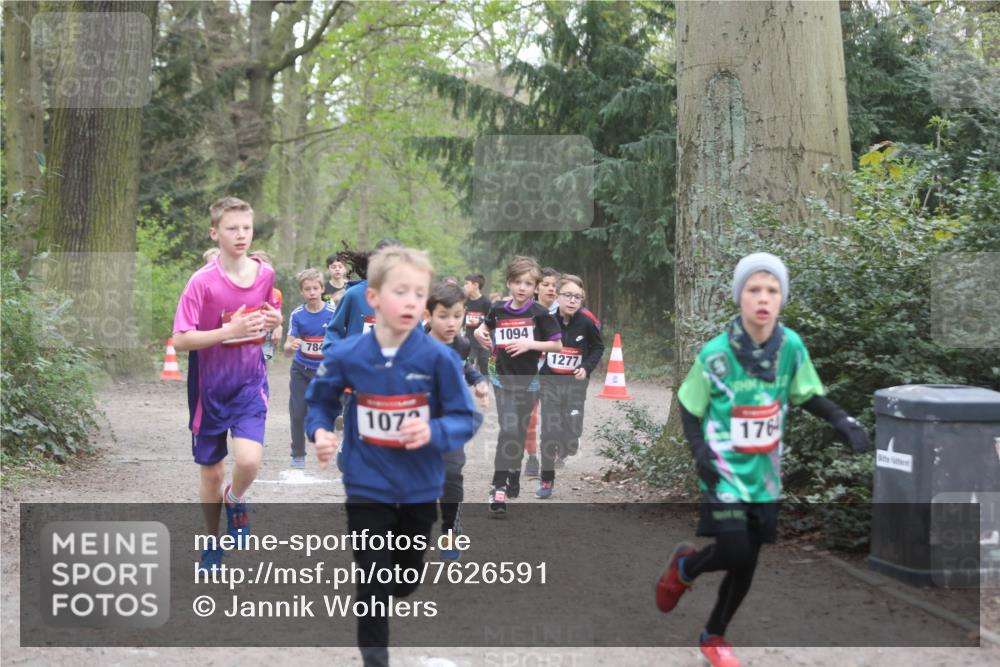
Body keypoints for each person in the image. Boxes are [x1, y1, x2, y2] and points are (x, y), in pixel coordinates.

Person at [656, 252, 870, 667]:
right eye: (754, 289)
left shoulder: (790, 347)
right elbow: (689, 405)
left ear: (781, 298)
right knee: (735, 551)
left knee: (747, 562)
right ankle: (687, 567)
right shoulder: (716, 354)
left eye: (772, 290)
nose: (763, 298)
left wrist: (841, 419)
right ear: (740, 297)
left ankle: (713, 635)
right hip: (724, 473)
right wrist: (699, 451)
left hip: (765, 477)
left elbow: (806, 393)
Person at [306, 247, 481, 667]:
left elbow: (465, 418)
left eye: (418, 294)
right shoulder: (348, 355)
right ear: (373, 298)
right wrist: (321, 432)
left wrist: (434, 430)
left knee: (402, 581)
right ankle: (375, 660)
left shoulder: (438, 357)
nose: (409, 302)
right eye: (399, 291)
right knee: (372, 579)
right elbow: (319, 401)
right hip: (367, 484)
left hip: (420, 486)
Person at [172, 197, 282, 573]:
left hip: (250, 382)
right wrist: (229, 331)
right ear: (214, 232)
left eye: (246, 228)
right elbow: (182, 340)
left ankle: (236, 499)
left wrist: (275, 319)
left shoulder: (264, 273)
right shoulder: (201, 283)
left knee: (249, 462)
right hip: (209, 389)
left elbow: (269, 317)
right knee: (212, 471)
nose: (241, 235)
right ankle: (212, 542)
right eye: (232, 228)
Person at [474, 256, 562, 516]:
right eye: (517, 282)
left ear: (535, 287)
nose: (522, 287)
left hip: (530, 382)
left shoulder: (541, 314)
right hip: (501, 378)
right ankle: (498, 486)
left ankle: (514, 469)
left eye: (527, 283)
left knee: (519, 431)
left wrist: (530, 345)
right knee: (508, 429)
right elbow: (484, 328)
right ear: (509, 283)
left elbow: (556, 345)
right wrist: (480, 332)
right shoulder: (498, 309)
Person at [424, 281, 490, 560]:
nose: (451, 323)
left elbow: (464, 367)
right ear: (427, 316)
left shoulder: (462, 344)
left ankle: (450, 529)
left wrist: (478, 381)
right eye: (443, 316)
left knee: (451, 475)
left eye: (458, 316)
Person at [537, 274, 604, 498]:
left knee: (572, 432)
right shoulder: (546, 319)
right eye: (568, 295)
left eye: (578, 297)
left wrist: (586, 367)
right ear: (558, 296)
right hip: (550, 382)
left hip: (575, 385)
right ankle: (546, 480)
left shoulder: (586, 321)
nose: (573, 300)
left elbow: (598, 348)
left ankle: (566, 447)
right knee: (549, 431)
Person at [283, 268, 336, 468]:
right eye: (307, 289)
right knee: (298, 413)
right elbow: (287, 349)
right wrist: (291, 345)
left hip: (325, 372)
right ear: (301, 292)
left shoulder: (332, 314)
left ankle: (330, 447)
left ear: (322, 289)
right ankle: (298, 454)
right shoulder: (297, 315)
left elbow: (340, 341)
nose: (312, 292)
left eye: (315, 288)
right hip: (301, 370)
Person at [322, 239, 401, 353]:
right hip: (356, 367)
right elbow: (333, 333)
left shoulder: (407, 299)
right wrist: (336, 358)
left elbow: (417, 339)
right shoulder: (354, 295)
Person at [250, 250, 282, 362]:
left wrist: (278, 327)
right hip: (246, 338)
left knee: (262, 369)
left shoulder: (276, 293)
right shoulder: (240, 291)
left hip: (266, 339)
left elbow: (277, 315)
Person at [463, 273, 491, 376]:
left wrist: (479, 321)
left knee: (484, 365)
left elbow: (492, 320)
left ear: (475, 285)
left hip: (483, 340)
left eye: (466, 284)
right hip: (469, 339)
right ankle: (470, 384)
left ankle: (485, 387)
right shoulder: (465, 302)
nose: (464, 287)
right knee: (468, 361)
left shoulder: (486, 302)